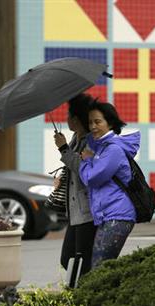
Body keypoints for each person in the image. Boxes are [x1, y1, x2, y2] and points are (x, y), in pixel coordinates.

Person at [79, 101, 140, 268]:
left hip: (117, 215)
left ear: (110, 123)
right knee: (104, 267)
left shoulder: (113, 150)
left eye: (98, 122)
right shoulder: (102, 147)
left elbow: (92, 178)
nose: (93, 126)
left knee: (100, 267)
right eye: (90, 122)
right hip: (109, 215)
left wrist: (85, 161)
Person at [53, 93, 97, 277]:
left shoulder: (91, 142)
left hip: (87, 211)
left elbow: (83, 169)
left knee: (82, 261)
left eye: (69, 115)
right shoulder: (75, 138)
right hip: (74, 211)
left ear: (77, 119)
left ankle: (84, 296)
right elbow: (72, 166)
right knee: (68, 258)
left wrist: (63, 148)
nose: (66, 118)